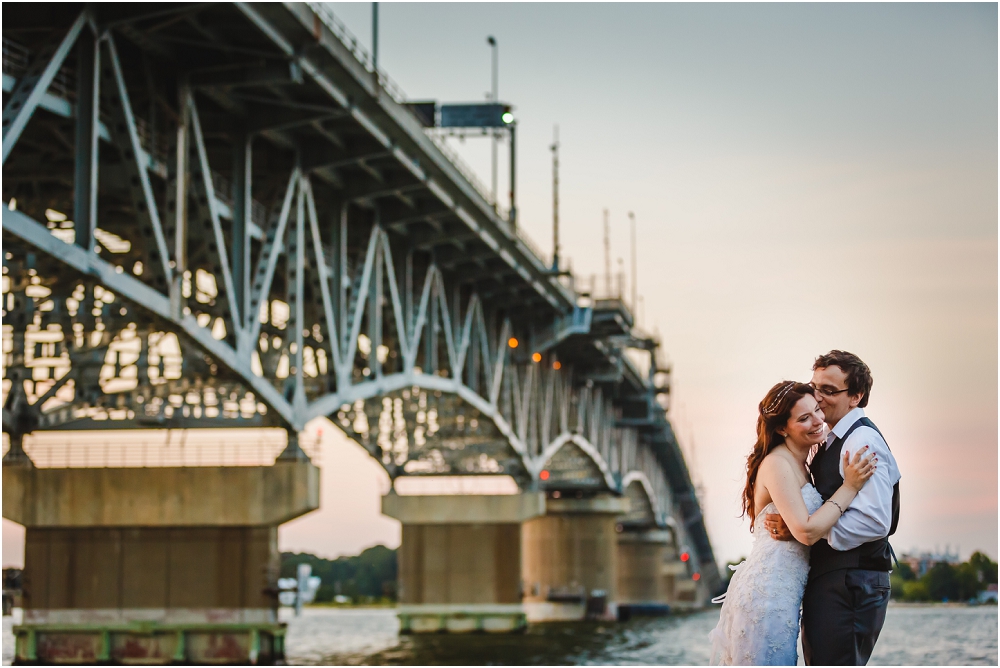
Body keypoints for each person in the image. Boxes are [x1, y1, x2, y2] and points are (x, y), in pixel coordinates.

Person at [708, 380, 876, 666]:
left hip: (785, 597)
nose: (817, 421)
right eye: (804, 418)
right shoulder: (777, 464)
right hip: (766, 596)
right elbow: (807, 532)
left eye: (816, 411)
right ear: (782, 429)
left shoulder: (803, 464)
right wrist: (850, 486)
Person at [764, 351, 901, 665]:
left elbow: (875, 521)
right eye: (815, 387)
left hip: (851, 582)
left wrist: (809, 530)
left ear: (856, 396)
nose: (817, 397)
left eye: (829, 390)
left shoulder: (862, 440)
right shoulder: (830, 439)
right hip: (837, 580)